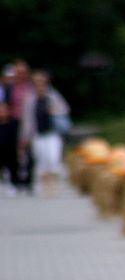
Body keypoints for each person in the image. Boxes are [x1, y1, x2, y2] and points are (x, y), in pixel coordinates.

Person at [19, 70, 69, 197]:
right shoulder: (30, 99)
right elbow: (27, 119)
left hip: (52, 133)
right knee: (42, 161)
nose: (40, 86)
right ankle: (46, 186)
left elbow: (64, 109)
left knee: (53, 158)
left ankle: (54, 183)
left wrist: (54, 111)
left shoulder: (52, 96)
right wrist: (24, 136)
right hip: (38, 134)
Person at [6, 61, 35, 193]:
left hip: (28, 120)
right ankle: (15, 179)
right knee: (12, 151)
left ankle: (28, 180)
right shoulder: (9, 87)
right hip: (12, 121)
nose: (20, 75)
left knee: (28, 150)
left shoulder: (31, 87)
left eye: (23, 72)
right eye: (18, 72)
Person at [0, 101, 20, 194]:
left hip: (10, 150)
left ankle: (13, 185)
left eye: (4, 109)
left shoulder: (13, 123)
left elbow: (16, 138)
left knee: (13, 166)